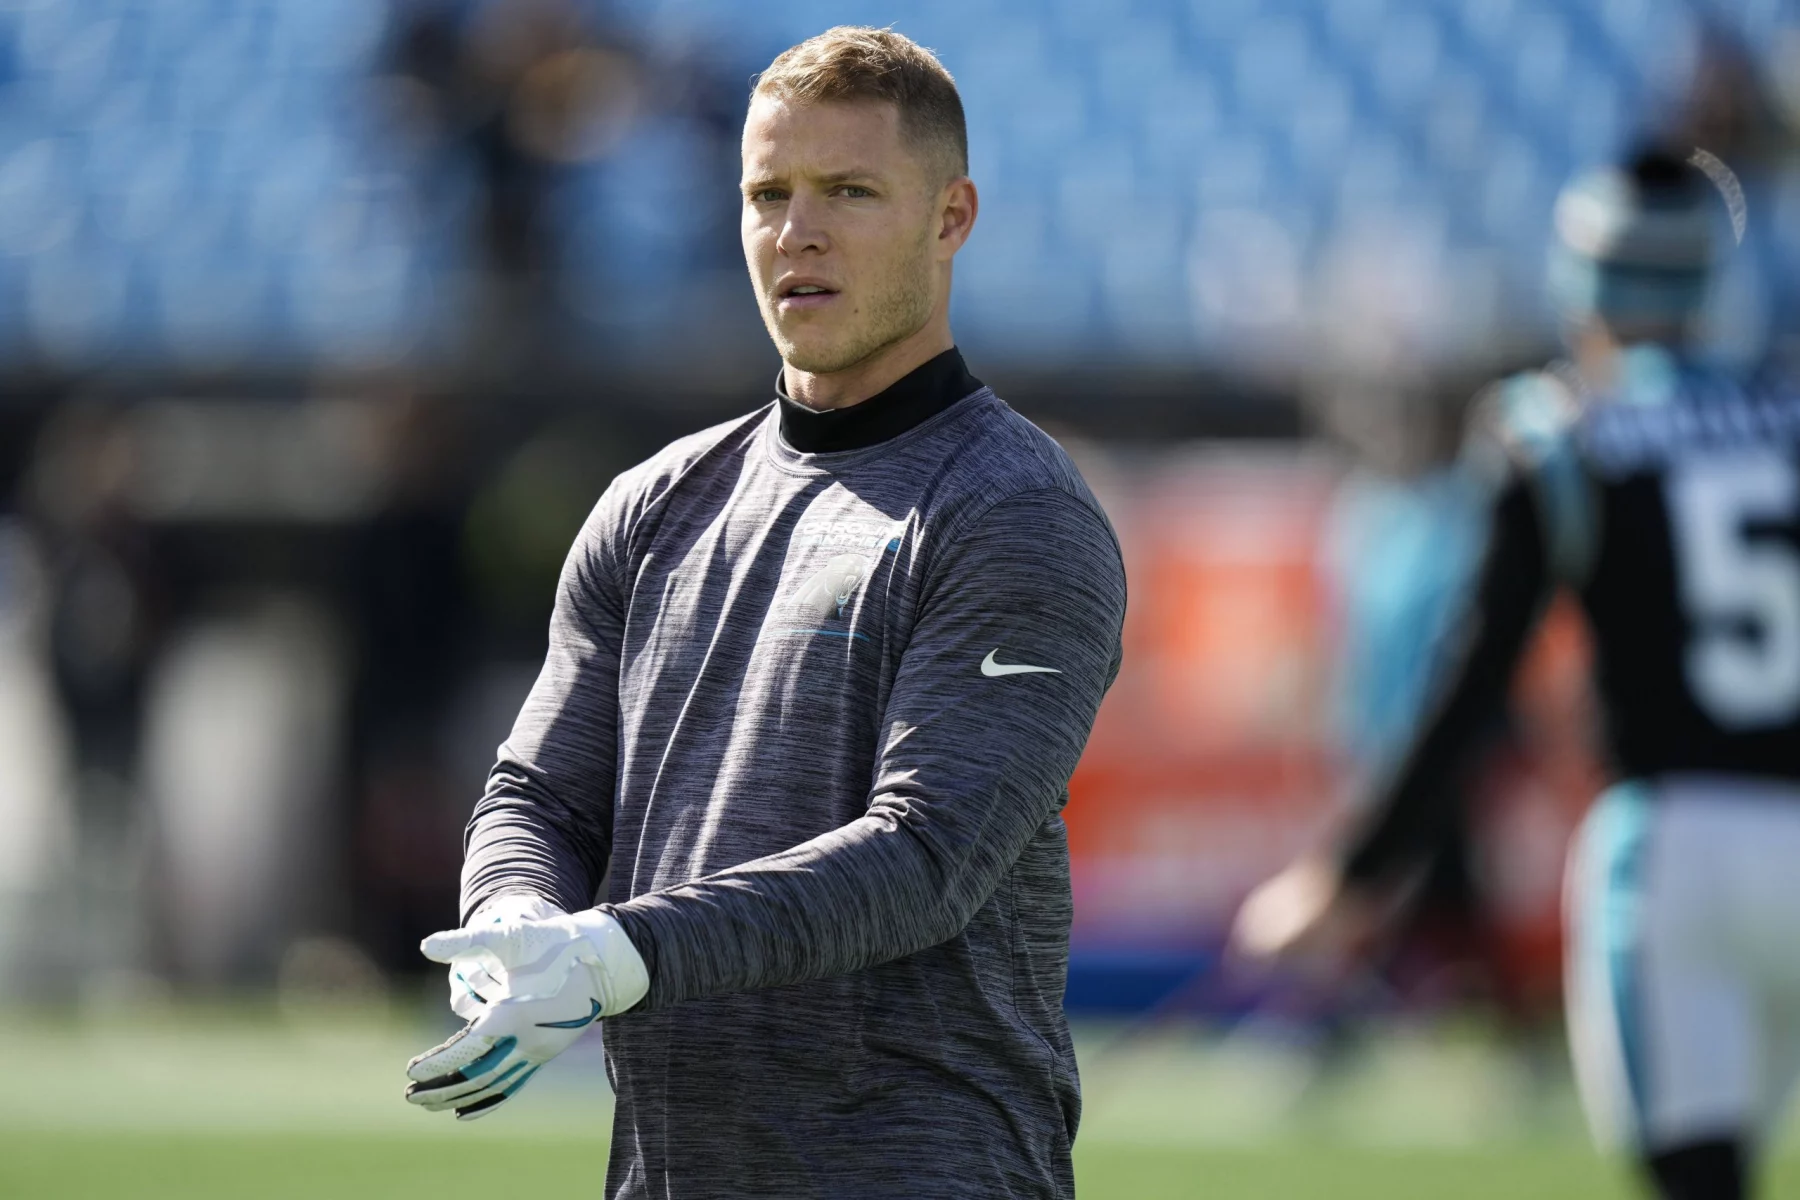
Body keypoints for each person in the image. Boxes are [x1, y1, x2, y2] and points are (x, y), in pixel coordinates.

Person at [402, 26, 1127, 1200]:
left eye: (850, 191)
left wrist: (621, 952)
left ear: (951, 217)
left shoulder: (1016, 510)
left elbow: (926, 856)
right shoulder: (653, 505)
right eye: (768, 194)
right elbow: (541, 793)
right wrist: (517, 925)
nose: (798, 231)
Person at [1233, 146, 1800, 1200]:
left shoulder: (1558, 431)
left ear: (1585, 282)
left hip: (1676, 845)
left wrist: (1349, 875)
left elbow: (1473, 677)